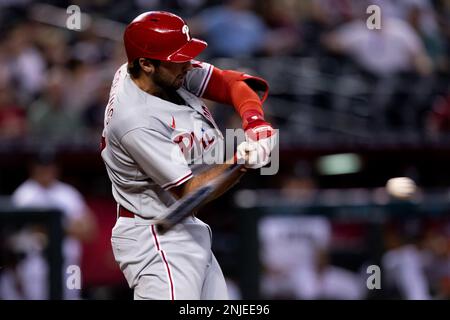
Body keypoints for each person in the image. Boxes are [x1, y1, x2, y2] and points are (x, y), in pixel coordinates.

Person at [101, 11, 277, 300]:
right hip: (154, 234)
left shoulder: (161, 74)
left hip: (184, 226)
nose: (185, 64)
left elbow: (232, 83)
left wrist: (255, 124)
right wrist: (240, 161)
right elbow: (190, 191)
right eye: (176, 59)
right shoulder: (134, 120)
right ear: (145, 64)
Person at [1, 152, 97, 300]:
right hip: (35, 265)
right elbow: (19, 235)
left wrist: (54, 228)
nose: (46, 171)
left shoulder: (69, 193)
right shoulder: (23, 195)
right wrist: (69, 227)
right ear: (33, 168)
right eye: (41, 167)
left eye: (49, 166)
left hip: (71, 267)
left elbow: (89, 231)